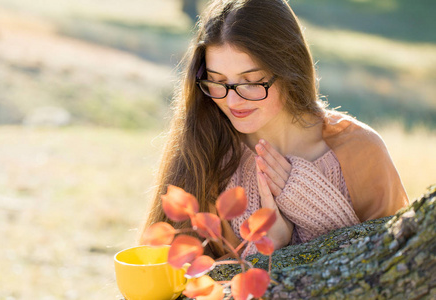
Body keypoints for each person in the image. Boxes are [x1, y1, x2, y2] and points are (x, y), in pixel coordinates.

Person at [141, 0, 409, 258]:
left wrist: (323, 218)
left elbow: (397, 272)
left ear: (290, 68)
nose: (232, 100)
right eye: (218, 81)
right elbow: (174, 279)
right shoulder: (205, 152)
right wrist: (269, 247)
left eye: (252, 81)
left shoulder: (361, 151)